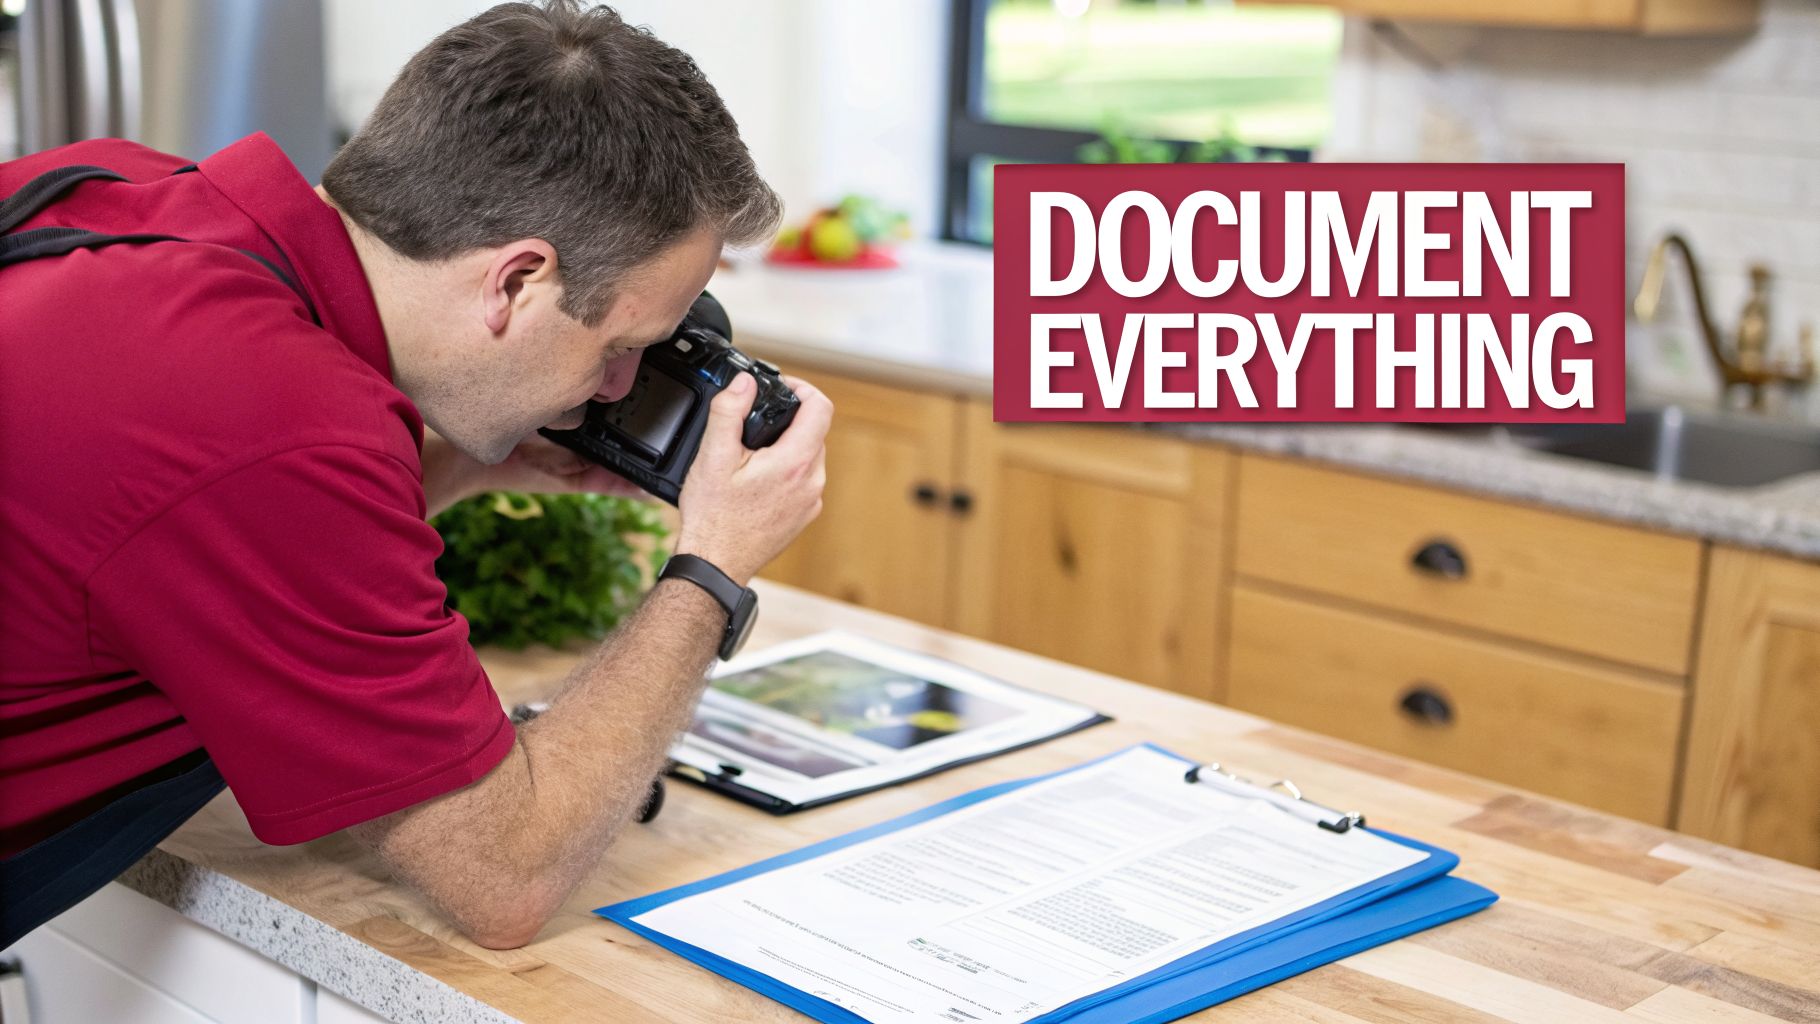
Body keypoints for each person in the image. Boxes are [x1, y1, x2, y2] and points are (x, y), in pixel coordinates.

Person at [0, 0, 830, 949]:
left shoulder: (127, 188)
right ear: (515, 280)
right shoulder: (286, 430)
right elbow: (503, 873)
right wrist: (713, 567)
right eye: (621, 345)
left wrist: (460, 467)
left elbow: (182, 532)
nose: (618, 388)